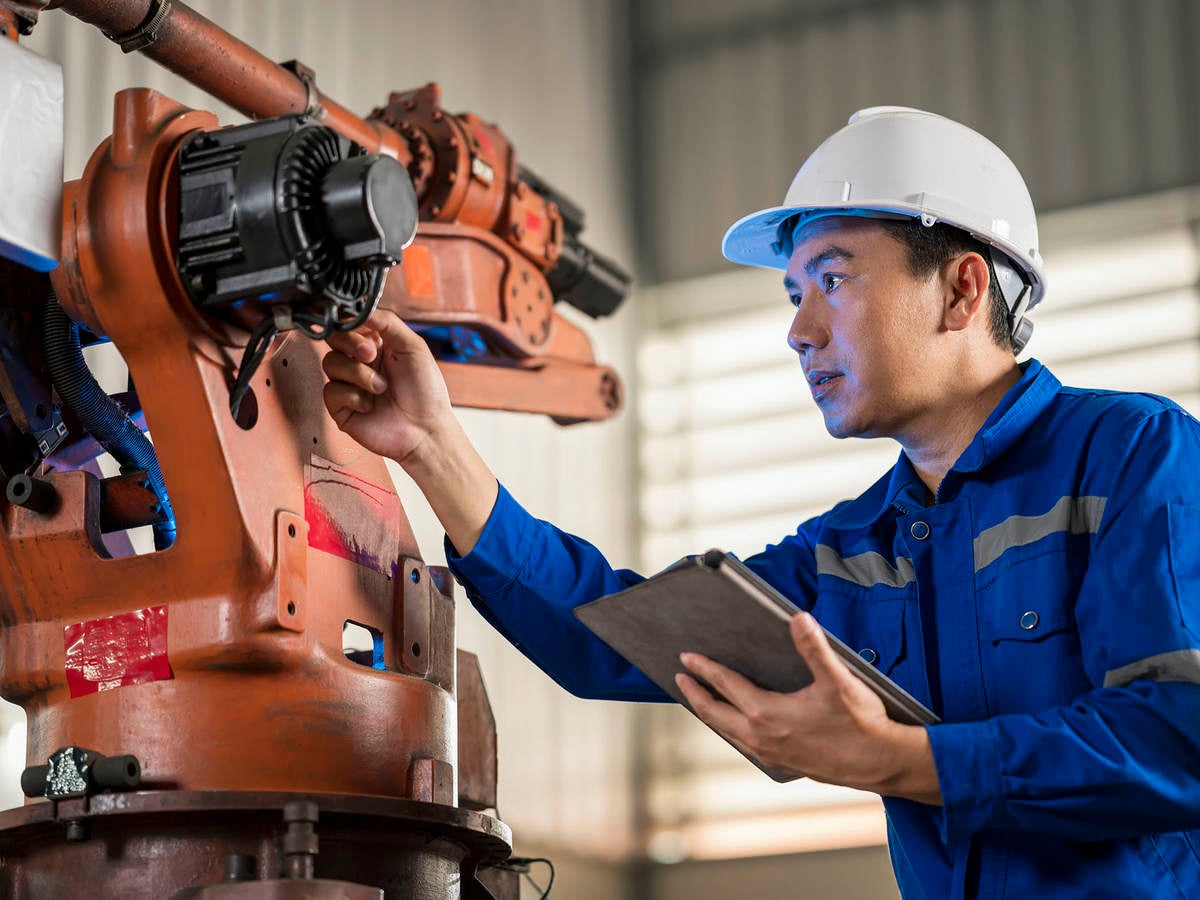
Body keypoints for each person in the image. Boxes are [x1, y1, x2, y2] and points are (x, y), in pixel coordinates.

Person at [322, 107, 1200, 898]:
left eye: (834, 278)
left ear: (963, 289)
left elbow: (1178, 735)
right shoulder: (857, 546)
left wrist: (905, 761)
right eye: (793, 293)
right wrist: (432, 446)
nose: (799, 329)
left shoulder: (1133, 457)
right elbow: (610, 635)